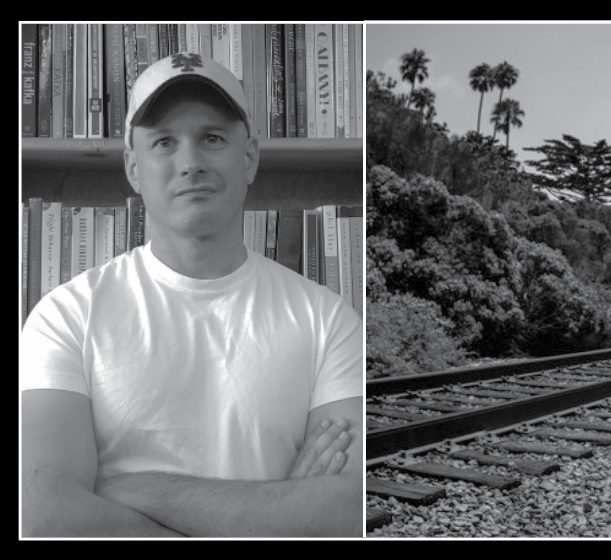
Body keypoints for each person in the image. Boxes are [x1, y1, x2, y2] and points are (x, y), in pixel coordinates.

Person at [20, 52, 363, 537]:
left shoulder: (328, 319)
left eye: (212, 138)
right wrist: (280, 510)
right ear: (133, 167)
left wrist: (136, 489)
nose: (190, 163)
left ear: (249, 158)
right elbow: (46, 516)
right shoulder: (65, 317)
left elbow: (347, 509)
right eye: (163, 141)